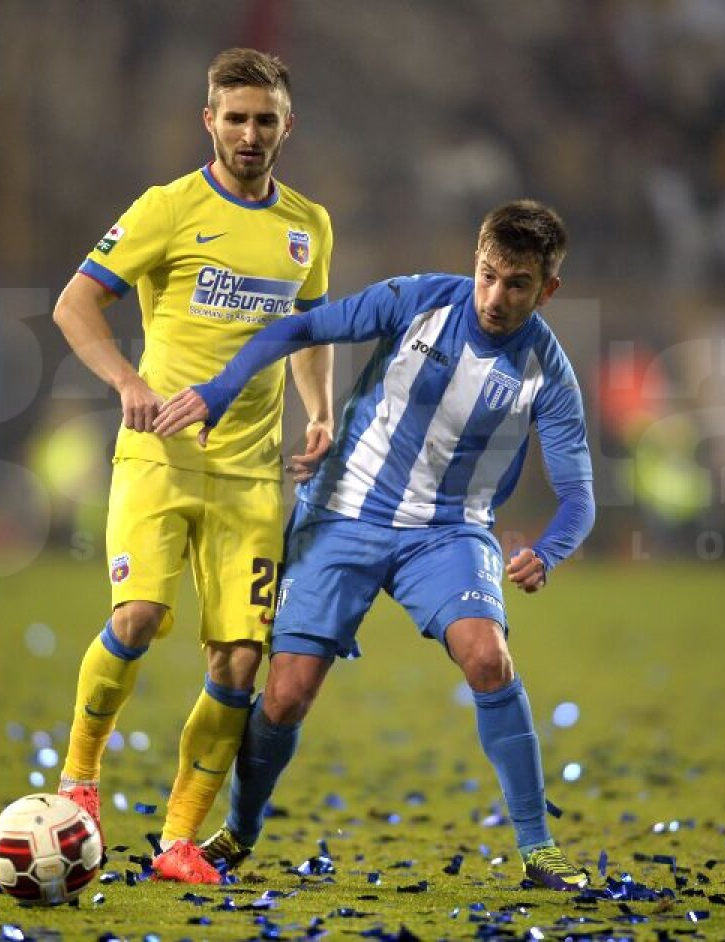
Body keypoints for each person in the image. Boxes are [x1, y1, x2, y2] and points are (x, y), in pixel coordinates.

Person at [154, 199, 594, 890]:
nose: (495, 296)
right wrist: (219, 389)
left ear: (548, 289)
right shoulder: (416, 301)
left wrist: (550, 550)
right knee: (287, 695)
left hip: (449, 532)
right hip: (341, 515)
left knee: (489, 659)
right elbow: (300, 327)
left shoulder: (548, 371)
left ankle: (539, 851)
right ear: (473, 262)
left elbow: (578, 496)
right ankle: (238, 833)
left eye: (516, 284)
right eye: (486, 275)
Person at [50, 47, 334, 885]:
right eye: (235, 117)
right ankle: (81, 782)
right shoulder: (167, 208)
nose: (250, 133)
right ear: (208, 120)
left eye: (265, 119)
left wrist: (319, 413)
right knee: (136, 618)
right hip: (160, 459)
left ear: (288, 126)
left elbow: (309, 332)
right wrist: (127, 381)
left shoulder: (308, 227)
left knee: (239, 664)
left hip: (252, 478)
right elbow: (75, 303)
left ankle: (178, 841)